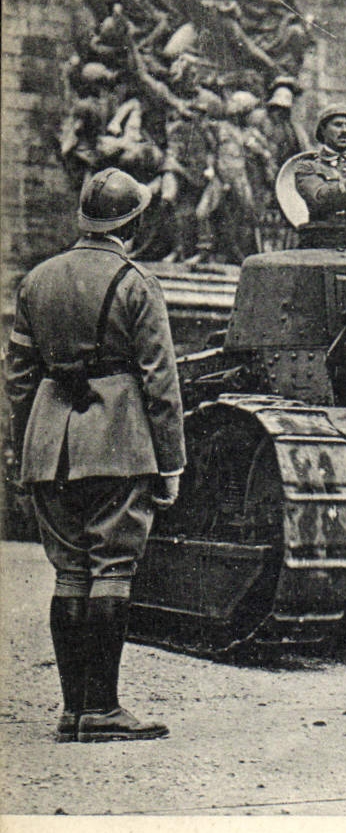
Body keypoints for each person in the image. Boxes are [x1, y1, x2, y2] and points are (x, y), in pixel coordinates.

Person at [5, 168, 183, 742]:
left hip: (49, 445)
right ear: (133, 222)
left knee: (69, 572)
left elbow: (17, 378)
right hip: (117, 442)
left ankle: (72, 710)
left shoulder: (36, 281)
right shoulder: (136, 282)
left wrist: (19, 450)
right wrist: (171, 462)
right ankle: (102, 710)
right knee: (113, 567)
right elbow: (160, 382)